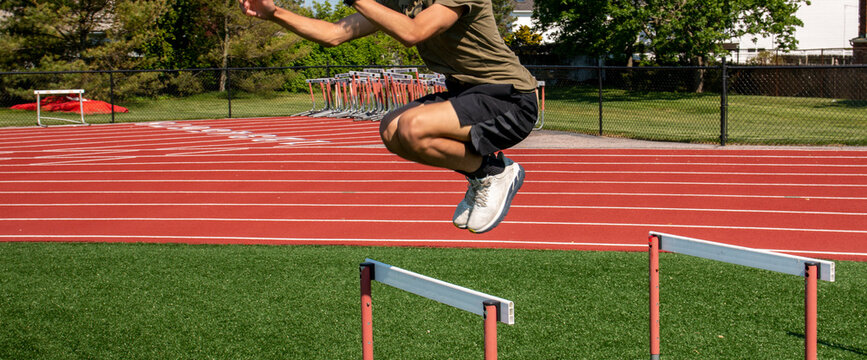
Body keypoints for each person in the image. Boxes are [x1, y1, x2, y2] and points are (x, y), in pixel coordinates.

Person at [239, 0, 538, 233]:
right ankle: (484, 172)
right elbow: (332, 34)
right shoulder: (404, 4)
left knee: (412, 127)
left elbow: (414, 32)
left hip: (511, 98)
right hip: (467, 92)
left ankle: (493, 173)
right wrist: (275, 13)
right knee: (391, 129)